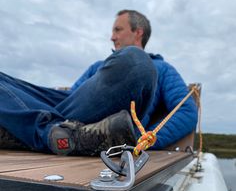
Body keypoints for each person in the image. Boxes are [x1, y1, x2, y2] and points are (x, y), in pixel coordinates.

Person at [0, 10, 197, 155]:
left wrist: (141, 140)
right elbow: (70, 103)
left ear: (138, 32)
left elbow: (187, 112)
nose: (112, 37)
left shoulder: (161, 68)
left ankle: (24, 128)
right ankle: (52, 133)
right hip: (67, 116)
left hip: (107, 124)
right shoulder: (97, 66)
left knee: (136, 61)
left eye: (118, 30)